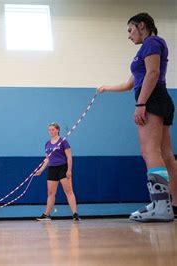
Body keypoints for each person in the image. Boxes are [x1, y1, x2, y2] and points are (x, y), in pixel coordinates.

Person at [98, 13, 175, 222]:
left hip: (152, 98)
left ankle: (160, 205)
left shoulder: (152, 42)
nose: (129, 36)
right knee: (166, 154)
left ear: (142, 25)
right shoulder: (144, 50)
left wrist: (140, 103)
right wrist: (106, 87)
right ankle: (172, 205)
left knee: (150, 150)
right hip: (159, 98)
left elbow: (152, 73)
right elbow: (128, 84)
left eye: (130, 30)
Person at [34, 123, 80, 221]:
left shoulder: (63, 141)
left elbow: (69, 157)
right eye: (49, 130)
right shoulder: (47, 143)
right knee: (51, 193)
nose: (51, 131)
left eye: (53, 129)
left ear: (58, 130)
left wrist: (69, 170)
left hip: (63, 168)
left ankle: (75, 214)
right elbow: (47, 159)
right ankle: (46, 215)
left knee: (68, 191)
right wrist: (41, 170)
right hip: (52, 169)